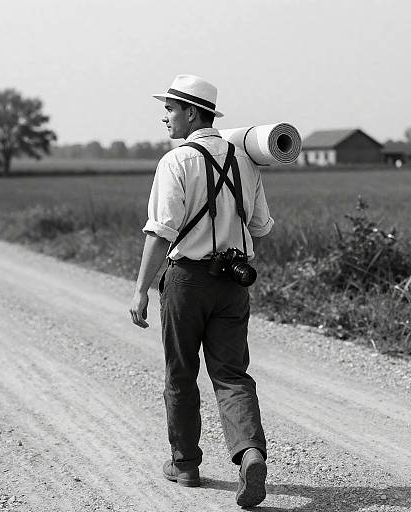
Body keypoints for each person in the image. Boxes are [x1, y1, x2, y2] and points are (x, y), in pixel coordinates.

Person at [129, 74, 273, 508]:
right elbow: (261, 227)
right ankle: (249, 453)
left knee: (180, 372)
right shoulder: (246, 160)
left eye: (171, 108)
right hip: (233, 282)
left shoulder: (175, 162)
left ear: (192, 112)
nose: (165, 116)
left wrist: (140, 290)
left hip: (187, 281)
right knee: (231, 375)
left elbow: (160, 232)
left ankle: (186, 464)